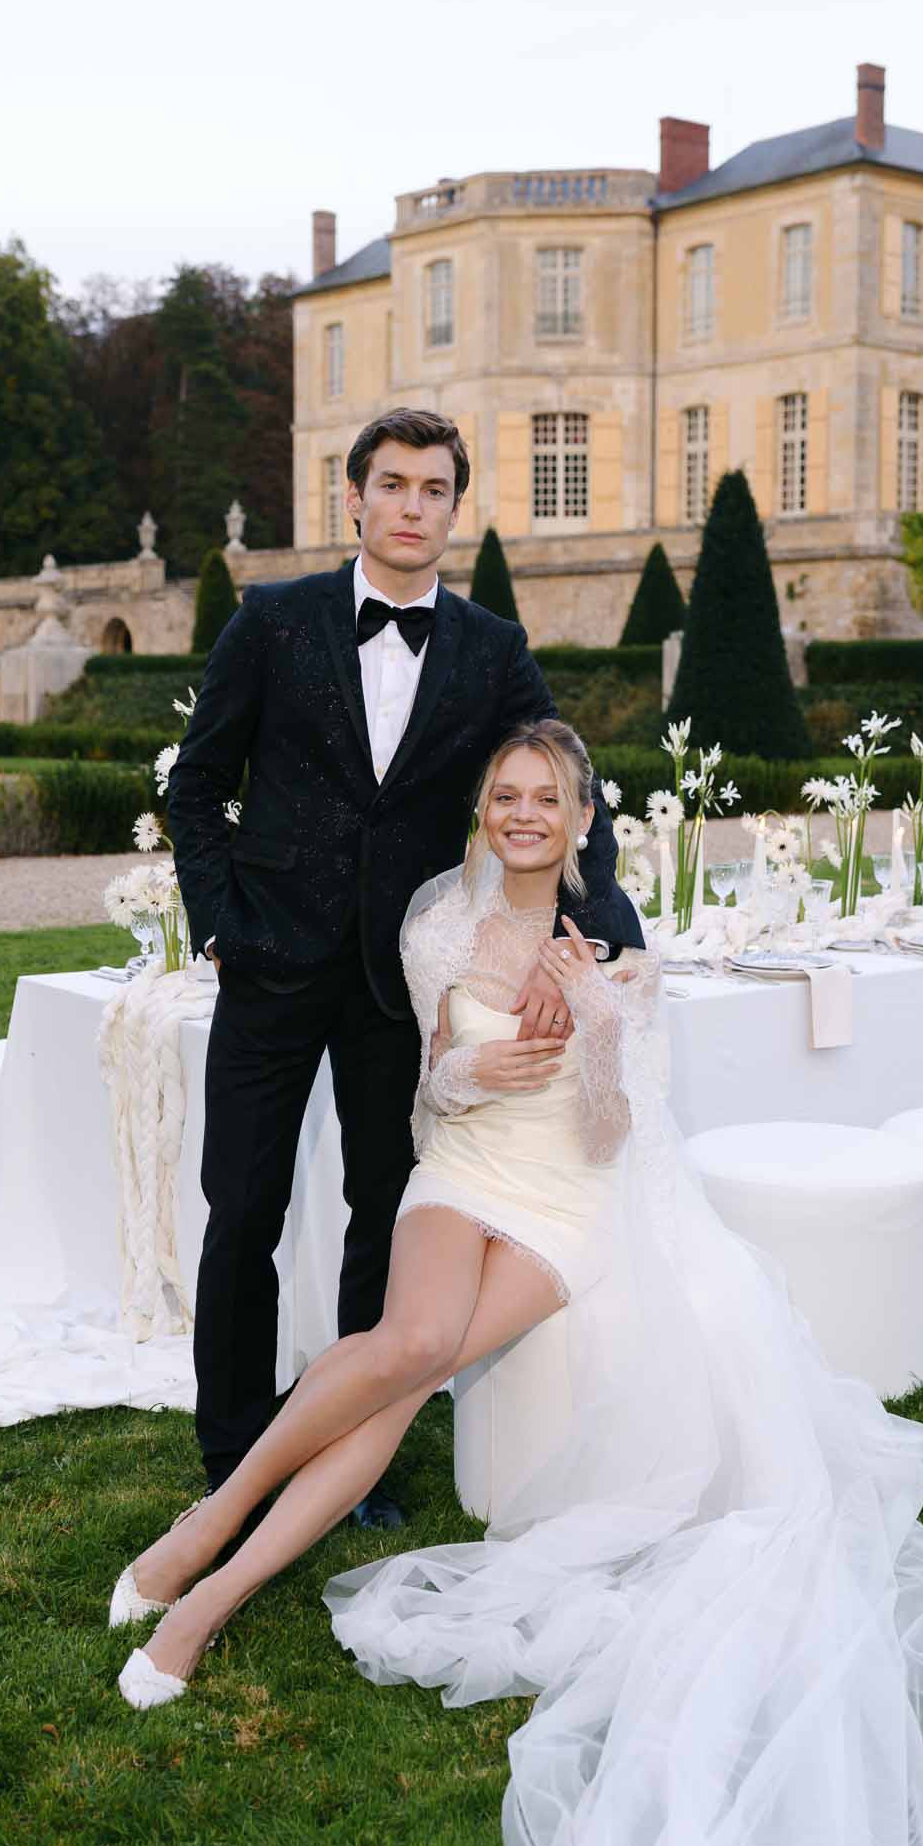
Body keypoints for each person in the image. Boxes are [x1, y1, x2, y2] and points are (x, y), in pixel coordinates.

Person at [115, 720, 923, 1846]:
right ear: (484, 811)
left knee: (412, 1366)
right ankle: (209, 1525)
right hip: (463, 1170)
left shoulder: (614, 941)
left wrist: (595, 1021)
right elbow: (427, 1104)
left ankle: (208, 1588)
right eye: (506, 793)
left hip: (567, 1202)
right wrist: (460, 1070)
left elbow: (611, 1132)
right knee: (412, 1341)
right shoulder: (438, 922)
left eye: (548, 796)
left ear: (584, 819)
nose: (525, 811)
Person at [163, 409, 642, 1525]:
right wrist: (224, 923)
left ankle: (355, 1448)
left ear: (455, 512)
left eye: (434, 489)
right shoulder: (274, 622)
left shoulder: (491, 647)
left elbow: (578, 792)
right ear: (355, 499)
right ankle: (233, 1445)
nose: (413, 506)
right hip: (272, 966)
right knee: (244, 1209)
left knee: (385, 1213)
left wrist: (599, 936)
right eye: (394, 485)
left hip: (402, 987)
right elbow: (198, 783)